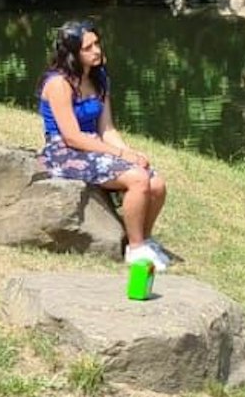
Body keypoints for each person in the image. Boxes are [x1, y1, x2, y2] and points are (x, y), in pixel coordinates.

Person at [38, 20, 172, 268]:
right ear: (73, 53)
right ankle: (135, 248)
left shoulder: (99, 79)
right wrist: (119, 154)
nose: (96, 51)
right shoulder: (59, 83)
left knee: (156, 183)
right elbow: (71, 137)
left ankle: (145, 237)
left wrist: (129, 153)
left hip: (96, 145)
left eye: (97, 44)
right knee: (137, 179)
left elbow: (107, 129)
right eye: (88, 47)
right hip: (64, 152)